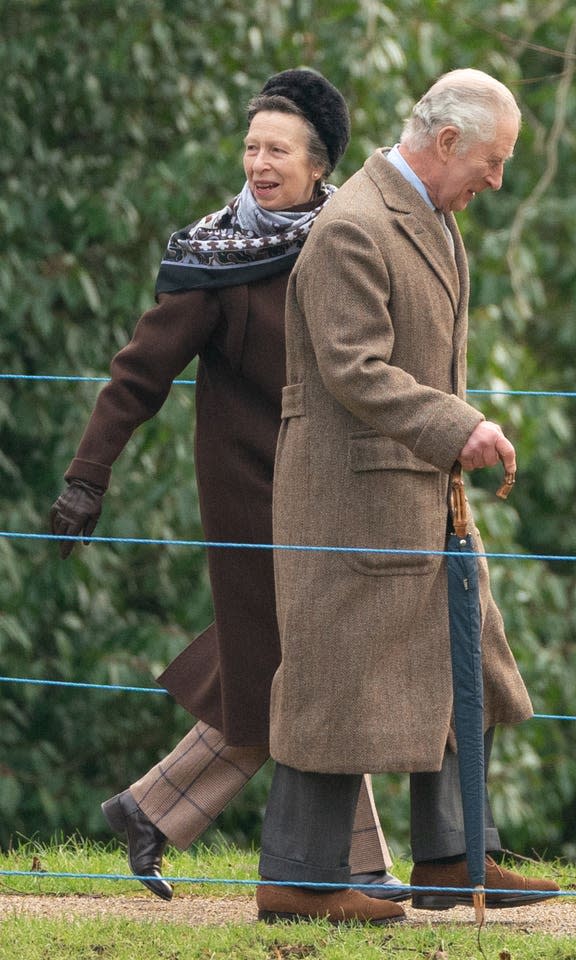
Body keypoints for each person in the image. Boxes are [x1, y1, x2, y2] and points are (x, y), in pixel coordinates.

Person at [49, 68, 406, 908]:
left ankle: (153, 811)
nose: (258, 162)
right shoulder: (213, 259)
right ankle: (349, 867)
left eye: (277, 148)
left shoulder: (345, 243)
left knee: (296, 667)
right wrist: (84, 479)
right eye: (251, 146)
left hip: (337, 493)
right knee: (308, 668)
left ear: (320, 166)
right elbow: (136, 377)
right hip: (253, 498)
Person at [255, 68, 561, 926]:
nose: (497, 180)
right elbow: (355, 367)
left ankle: (454, 859)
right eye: (494, 161)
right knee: (332, 684)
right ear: (449, 142)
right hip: (349, 503)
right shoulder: (354, 225)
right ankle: (297, 882)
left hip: (418, 496)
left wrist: (446, 437)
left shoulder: (433, 217)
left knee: (466, 656)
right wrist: (455, 427)